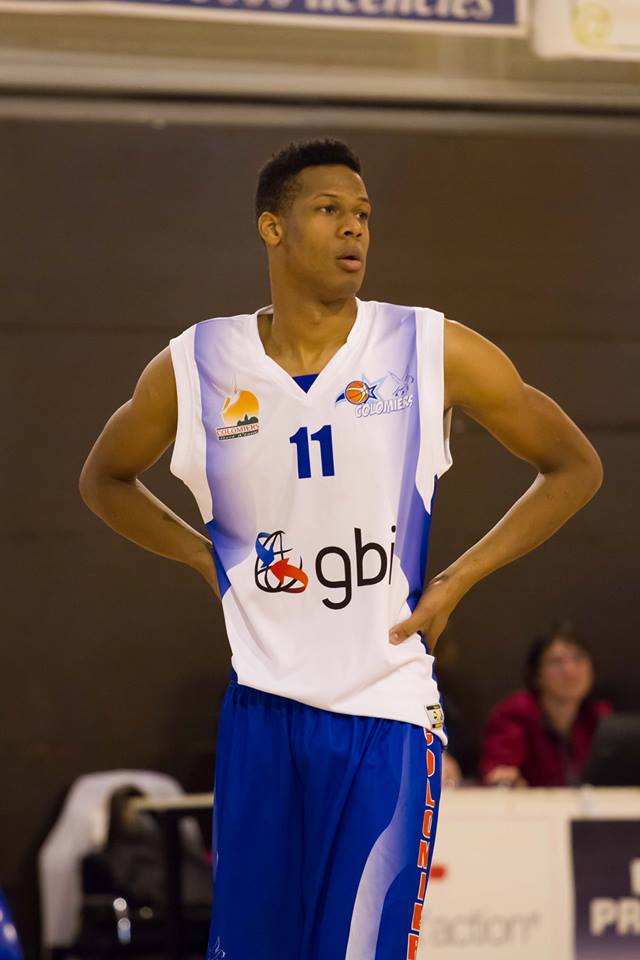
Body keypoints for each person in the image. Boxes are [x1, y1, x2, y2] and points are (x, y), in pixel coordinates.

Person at [79, 138, 603, 960]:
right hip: (260, 715)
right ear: (272, 229)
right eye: (329, 211)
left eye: (363, 215)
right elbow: (103, 478)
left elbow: (574, 465)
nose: (354, 229)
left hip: (385, 717)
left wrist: (458, 579)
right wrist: (200, 557)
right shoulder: (199, 363)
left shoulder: (429, 348)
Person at [479, 624, 612, 788]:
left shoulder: (600, 715)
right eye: (556, 661)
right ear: (537, 675)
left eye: (578, 658)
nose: (570, 670)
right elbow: (499, 772)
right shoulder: (516, 712)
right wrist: (508, 779)